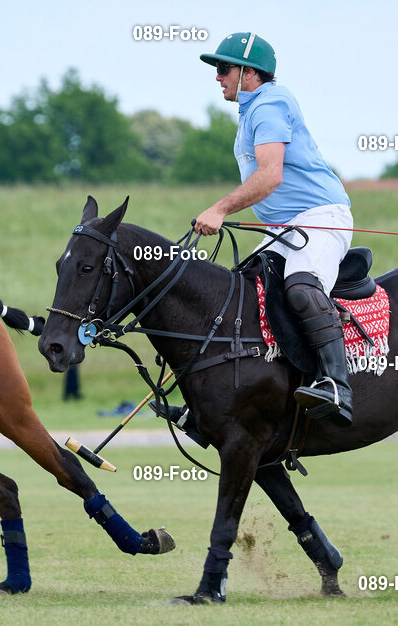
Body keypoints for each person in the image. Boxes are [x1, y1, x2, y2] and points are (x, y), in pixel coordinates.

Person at [160, 32, 355, 437]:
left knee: (301, 288)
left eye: (223, 69)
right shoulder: (250, 111)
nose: (217, 77)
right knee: (241, 298)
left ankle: (337, 386)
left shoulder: (270, 103)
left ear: (249, 72)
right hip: (283, 227)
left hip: (319, 216)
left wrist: (220, 208)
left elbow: (271, 174)